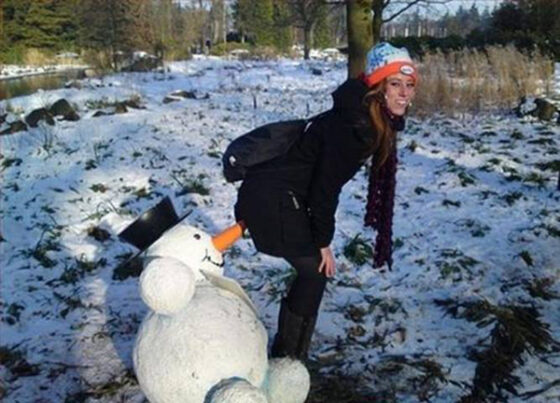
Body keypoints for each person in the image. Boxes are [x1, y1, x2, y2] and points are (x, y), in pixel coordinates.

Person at [233, 42, 418, 360]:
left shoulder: (363, 117)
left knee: (314, 273)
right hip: (272, 194)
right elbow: (325, 188)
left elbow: (321, 181)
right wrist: (322, 241)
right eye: (395, 84)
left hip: (278, 190)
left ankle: (291, 357)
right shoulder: (356, 127)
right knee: (314, 270)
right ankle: (287, 359)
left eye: (410, 85)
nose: (404, 94)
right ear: (377, 87)